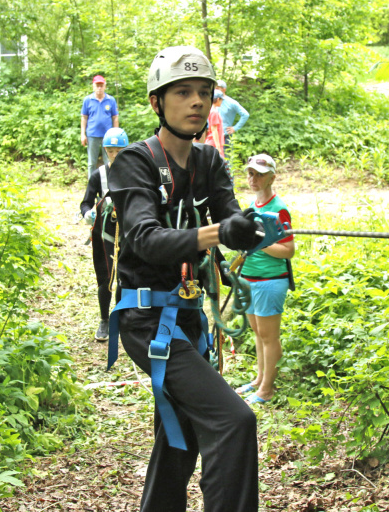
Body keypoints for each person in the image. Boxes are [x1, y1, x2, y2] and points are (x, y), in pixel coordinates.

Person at [106, 46, 264, 512]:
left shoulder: (210, 163)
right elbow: (144, 239)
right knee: (234, 421)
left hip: (190, 319)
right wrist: (217, 231)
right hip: (145, 318)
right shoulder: (133, 163)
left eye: (203, 92)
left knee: (181, 435)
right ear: (157, 102)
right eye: (182, 92)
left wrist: (248, 228)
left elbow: (231, 223)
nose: (196, 101)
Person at [235, 154, 295, 404]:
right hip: (249, 277)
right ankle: (259, 379)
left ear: (273, 176)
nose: (253, 178)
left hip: (270, 280)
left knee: (269, 336)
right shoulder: (253, 205)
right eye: (250, 173)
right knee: (258, 333)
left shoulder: (278, 209)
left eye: (259, 174)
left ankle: (267, 389)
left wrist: (258, 242)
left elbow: (288, 250)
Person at [80, 127, 129, 341]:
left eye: (119, 151)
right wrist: (88, 213)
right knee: (106, 278)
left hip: (129, 233)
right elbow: (85, 202)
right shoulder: (98, 175)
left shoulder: (136, 174)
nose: (115, 155)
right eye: (111, 151)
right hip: (105, 234)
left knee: (126, 278)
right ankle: (104, 320)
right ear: (105, 151)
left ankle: (123, 318)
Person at [80, 74, 119, 178]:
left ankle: (110, 183)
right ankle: (91, 183)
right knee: (92, 162)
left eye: (101, 85)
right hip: (92, 135)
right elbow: (84, 117)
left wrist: (116, 134)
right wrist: (82, 134)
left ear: (105, 86)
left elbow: (115, 117)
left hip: (108, 136)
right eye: (97, 85)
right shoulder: (87, 100)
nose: (99, 88)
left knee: (109, 160)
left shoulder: (111, 100)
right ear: (93, 86)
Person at [215, 79, 249, 150]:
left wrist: (235, 128)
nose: (215, 89)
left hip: (225, 136)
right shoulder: (212, 100)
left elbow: (245, 114)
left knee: (226, 159)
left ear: (224, 89)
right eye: (214, 88)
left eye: (217, 88)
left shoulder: (231, 102)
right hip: (213, 135)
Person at [204, 89, 225, 158]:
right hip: (213, 142)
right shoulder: (214, 112)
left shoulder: (210, 110)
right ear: (218, 99)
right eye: (222, 100)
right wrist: (218, 147)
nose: (222, 102)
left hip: (211, 142)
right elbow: (214, 129)